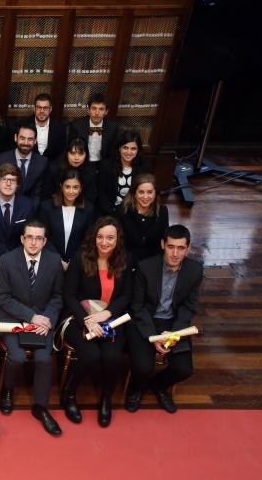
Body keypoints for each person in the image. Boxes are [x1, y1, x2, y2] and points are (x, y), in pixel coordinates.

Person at [61, 216, 132, 428]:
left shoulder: (126, 261)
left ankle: (106, 398)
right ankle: (69, 394)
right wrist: (87, 320)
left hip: (111, 319)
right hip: (78, 316)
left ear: (118, 239)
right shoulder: (80, 258)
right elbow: (68, 296)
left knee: (112, 357)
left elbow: (127, 296)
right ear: (94, 238)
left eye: (110, 238)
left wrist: (107, 313)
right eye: (100, 237)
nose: (104, 242)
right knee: (91, 354)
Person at [0, 220, 64, 435]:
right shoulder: (6, 260)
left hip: (43, 320)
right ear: (22, 238)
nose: (33, 242)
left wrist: (47, 318)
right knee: (17, 357)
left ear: (45, 241)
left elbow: (58, 295)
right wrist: (31, 316)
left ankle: (40, 407)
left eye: (39, 238)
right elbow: (2, 297)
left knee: (44, 359)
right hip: (14, 318)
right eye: (29, 237)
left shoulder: (54, 262)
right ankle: (7, 390)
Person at [126, 224, 203, 414]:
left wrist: (174, 333)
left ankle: (159, 386)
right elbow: (138, 306)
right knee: (143, 367)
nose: (175, 253)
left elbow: (189, 307)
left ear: (188, 248)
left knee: (185, 370)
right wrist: (153, 336)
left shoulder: (195, 270)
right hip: (146, 321)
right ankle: (137, 388)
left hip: (174, 324)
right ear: (163, 245)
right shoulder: (145, 267)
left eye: (181, 248)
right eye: (171, 247)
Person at [39, 168, 96, 268]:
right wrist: (58, 260)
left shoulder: (88, 209)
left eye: (75, 187)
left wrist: (74, 260)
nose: (71, 191)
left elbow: (88, 239)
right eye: (67, 187)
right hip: (49, 261)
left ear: (81, 188)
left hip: (77, 263)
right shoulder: (47, 207)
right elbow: (43, 236)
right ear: (61, 187)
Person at [115, 173, 169, 262]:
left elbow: (163, 240)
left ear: (155, 193)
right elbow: (119, 243)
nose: (145, 197)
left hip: (152, 260)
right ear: (134, 193)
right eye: (141, 192)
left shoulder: (163, 211)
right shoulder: (121, 211)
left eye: (150, 192)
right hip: (127, 259)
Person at [97, 130, 152, 216]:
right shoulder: (107, 165)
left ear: (138, 150)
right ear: (119, 148)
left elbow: (144, 195)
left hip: (134, 212)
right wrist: (112, 213)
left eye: (133, 149)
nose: (129, 152)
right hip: (110, 211)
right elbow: (102, 194)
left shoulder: (144, 167)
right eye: (125, 148)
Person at [0, 123, 49, 199]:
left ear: (35, 141)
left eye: (30, 139)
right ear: (15, 138)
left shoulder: (42, 163)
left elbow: (38, 194)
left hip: (31, 208)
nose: (26, 143)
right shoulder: (1, 160)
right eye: (22, 138)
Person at [67, 93, 120, 168]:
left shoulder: (113, 127)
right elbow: (70, 149)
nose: (97, 113)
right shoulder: (76, 125)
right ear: (88, 110)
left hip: (103, 164)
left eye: (101, 109)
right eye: (94, 108)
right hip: (81, 163)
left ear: (106, 111)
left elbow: (113, 152)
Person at [44, 138, 98, 204]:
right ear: (67, 153)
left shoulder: (90, 171)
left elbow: (90, 197)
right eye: (73, 153)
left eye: (81, 154)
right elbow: (46, 195)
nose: (76, 158)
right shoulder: (54, 168)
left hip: (81, 207)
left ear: (86, 155)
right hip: (56, 206)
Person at [17, 92, 66, 162]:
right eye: (39, 107)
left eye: (45, 108)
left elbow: (61, 153)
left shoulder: (60, 128)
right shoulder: (22, 125)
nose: (42, 111)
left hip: (51, 167)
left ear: (50, 109)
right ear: (34, 108)